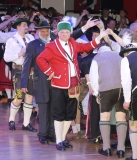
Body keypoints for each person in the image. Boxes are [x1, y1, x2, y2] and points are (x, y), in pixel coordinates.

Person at [36, 21, 108, 151]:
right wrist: (50, 72)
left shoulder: (73, 43)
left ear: (70, 33)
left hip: (73, 83)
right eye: (62, 32)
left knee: (70, 114)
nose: (64, 34)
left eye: (67, 32)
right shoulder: (51, 46)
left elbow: (87, 47)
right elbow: (40, 59)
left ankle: (63, 139)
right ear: (58, 33)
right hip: (58, 83)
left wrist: (99, 37)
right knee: (59, 114)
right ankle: (58, 141)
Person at [89, 44, 127, 158]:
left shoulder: (97, 58)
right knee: (121, 118)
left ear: (98, 50)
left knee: (104, 117)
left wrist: (96, 93)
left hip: (106, 89)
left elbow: (93, 77)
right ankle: (121, 149)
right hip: (121, 89)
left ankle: (107, 148)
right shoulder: (119, 55)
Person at [4, 18, 36, 132]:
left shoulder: (31, 38)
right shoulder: (11, 40)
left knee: (30, 97)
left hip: (31, 71)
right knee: (18, 97)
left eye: (27, 25)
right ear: (17, 27)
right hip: (19, 71)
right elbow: (6, 58)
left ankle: (26, 123)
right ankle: (11, 120)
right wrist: (19, 54)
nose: (26, 27)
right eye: (23, 25)